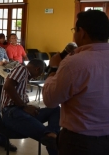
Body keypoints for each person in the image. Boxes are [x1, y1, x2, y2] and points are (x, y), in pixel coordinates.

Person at [43, 9, 109, 155]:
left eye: (74, 30)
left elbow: (50, 100)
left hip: (80, 142)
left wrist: (54, 69)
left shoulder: (74, 63)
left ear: (82, 32)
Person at [1, 59, 60, 155]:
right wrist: (24, 106)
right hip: (11, 113)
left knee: (55, 109)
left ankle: (52, 132)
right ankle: (51, 136)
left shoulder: (24, 76)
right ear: (37, 69)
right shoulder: (22, 69)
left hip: (20, 111)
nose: (38, 76)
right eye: (40, 73)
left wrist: (27, 106)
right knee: (49, 139)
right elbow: (8, 86)